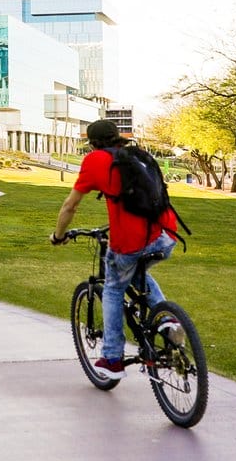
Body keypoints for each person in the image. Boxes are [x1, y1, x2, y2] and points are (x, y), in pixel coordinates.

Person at [49, 118, 183, 379]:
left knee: (112, 287)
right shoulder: (138, 155)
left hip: (131, 240)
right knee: (134, 269)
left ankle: (112, 358)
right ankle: (168, 321)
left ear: (92, 143)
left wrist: (58, 235)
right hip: (166, 233)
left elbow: (70, 206)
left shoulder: (95, 161)